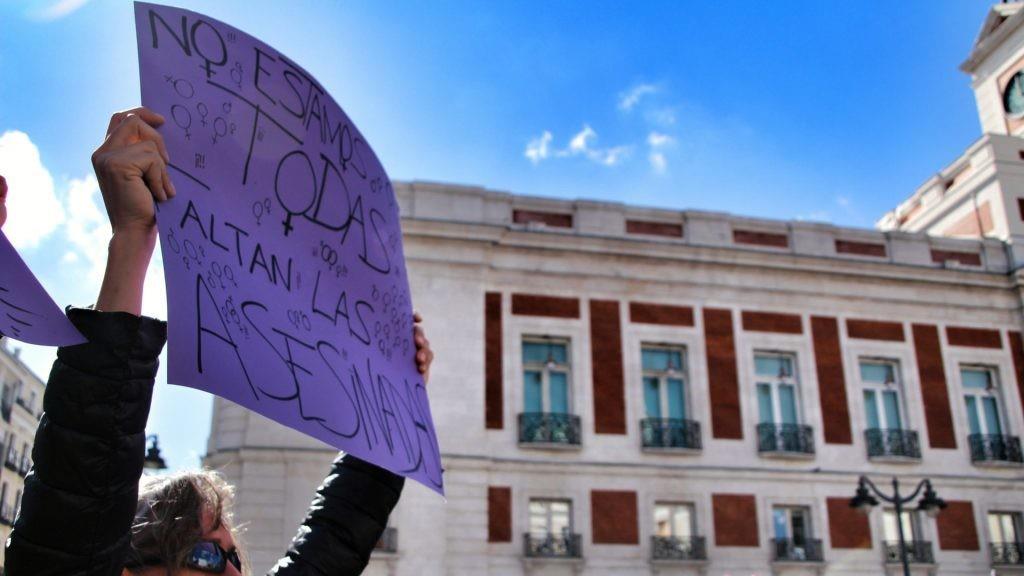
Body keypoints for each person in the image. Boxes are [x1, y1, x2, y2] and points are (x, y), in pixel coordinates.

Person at [2, 107, 434, 576]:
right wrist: (132, 237)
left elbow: (340, 531)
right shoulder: (78, 550)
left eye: (227, 555)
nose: (234, 571)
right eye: (204, 555)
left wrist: (394, 394)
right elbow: (83, 479)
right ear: (122, 570)